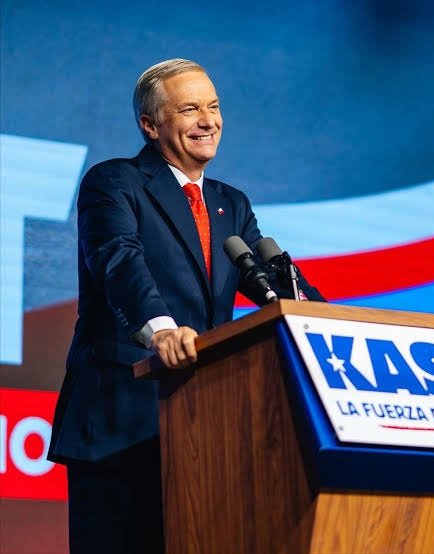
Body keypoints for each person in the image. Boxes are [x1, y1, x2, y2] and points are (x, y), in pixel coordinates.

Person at [47, 58, 324, 554]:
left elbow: (274, 284)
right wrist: (161, 330)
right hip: (123, 424)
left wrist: (329, 326)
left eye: (214, 107)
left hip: (206, 429)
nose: (208, 121)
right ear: (150, 125)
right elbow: (119, 262)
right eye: (190, 109)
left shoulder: (230, 203)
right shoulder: (115, 182)